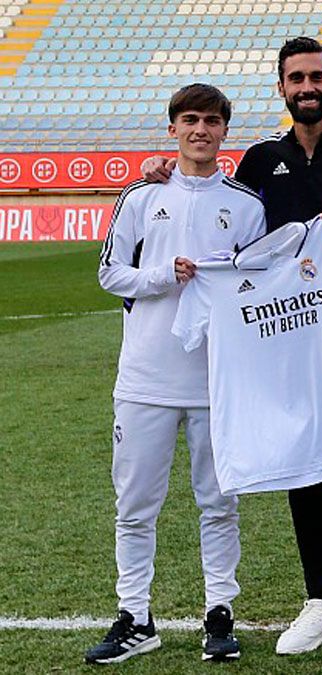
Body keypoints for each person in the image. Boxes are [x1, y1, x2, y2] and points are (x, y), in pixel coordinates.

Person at [142, 37, 322, 658]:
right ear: (281, 88)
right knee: (305, 463)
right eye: (296, 78)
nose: (307, 87)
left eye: (316, 77)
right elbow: (216, 213)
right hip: (290, 339)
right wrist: (160, 178)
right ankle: (319, 602)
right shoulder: (257, 162)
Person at [90, 83, 266, 664]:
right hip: (143, 379)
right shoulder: (141, 196)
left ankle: (220, 614)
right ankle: (135, 617)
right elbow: (110, 274)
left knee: (219, 505)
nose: (200, 131)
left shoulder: (246, 205)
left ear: (223, 131)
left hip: (217, 381)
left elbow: (257, 285)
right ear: (173, 129)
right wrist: (166, 275)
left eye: (211, 121)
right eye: (189, 120)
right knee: (135, 506)